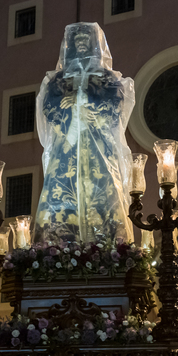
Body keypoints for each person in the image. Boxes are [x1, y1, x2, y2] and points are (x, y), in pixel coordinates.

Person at [34, 22, 135, 245]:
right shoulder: (57, 81)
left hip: (98, 147)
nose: (80, 46)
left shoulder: (106, 77)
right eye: (76, 42)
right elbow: (49, 109)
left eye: (85, 42)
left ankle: (111, 246)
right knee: (60, 197)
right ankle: (54, 247)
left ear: (93, 46)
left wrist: (89, 108)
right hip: (67, 149)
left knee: (105, 194)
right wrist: (68, 108)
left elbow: (115, 105)